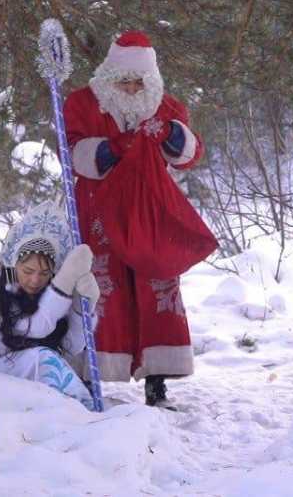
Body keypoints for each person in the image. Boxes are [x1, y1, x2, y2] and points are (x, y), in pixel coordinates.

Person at [63, 31, 217, 407]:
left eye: (138, 82)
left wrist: (170, 135)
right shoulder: (82, 104)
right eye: (124, 81)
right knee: (101, 286)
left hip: (150, 211)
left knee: (155, 284)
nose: (131, 89)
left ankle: (156, 380)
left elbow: (190, 155)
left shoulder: (166, 107)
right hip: (100, 207)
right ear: (108, 76)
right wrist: (112, 149)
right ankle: (89, 372)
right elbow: (71, 153)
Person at [0, 203, 101, 411]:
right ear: (14, 266)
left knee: (48, 357)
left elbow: (73, 345)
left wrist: (82, 307)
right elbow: (37, 327)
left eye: (44, 273)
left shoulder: (51, 297)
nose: (35, 280)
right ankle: (82, 411)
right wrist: (64, 282)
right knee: (43, 358)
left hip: (24, 373)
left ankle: (77, 410)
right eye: (28, 271)